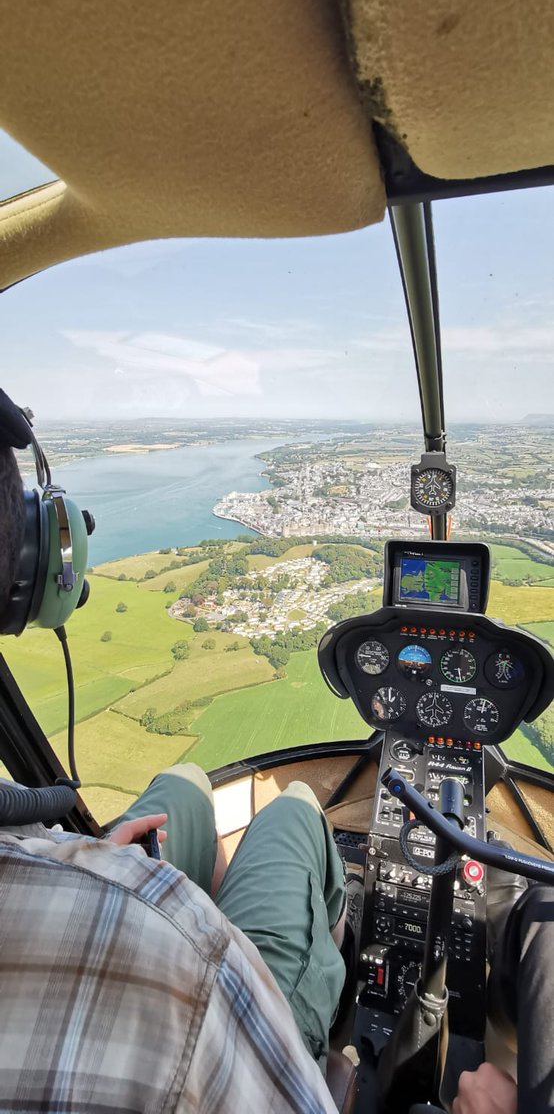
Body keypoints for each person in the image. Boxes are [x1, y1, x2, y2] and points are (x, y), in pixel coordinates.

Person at [0, 439, 551, 1112]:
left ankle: (312, 943)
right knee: (292, 807)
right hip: (214, 1025)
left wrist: (79, 857)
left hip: (78, 936)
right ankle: (332, 961)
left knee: (182, 787)